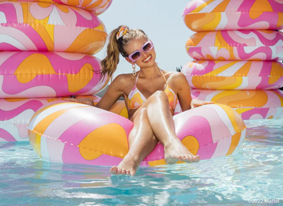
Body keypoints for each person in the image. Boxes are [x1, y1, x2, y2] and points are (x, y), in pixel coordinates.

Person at [91, 25, 214, 176]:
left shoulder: (176, 79)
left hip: (161, 128)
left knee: (154, 102)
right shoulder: (124, 82)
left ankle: (131, 159)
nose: (144, 55)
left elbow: (188, 116)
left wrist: (193, 102)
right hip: (137, 130)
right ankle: (171, 144)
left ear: (151, 43)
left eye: (146, 47)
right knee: (157, 98)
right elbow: (100, 112)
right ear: (130, 61)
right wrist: (86, 104)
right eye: (135, 54)